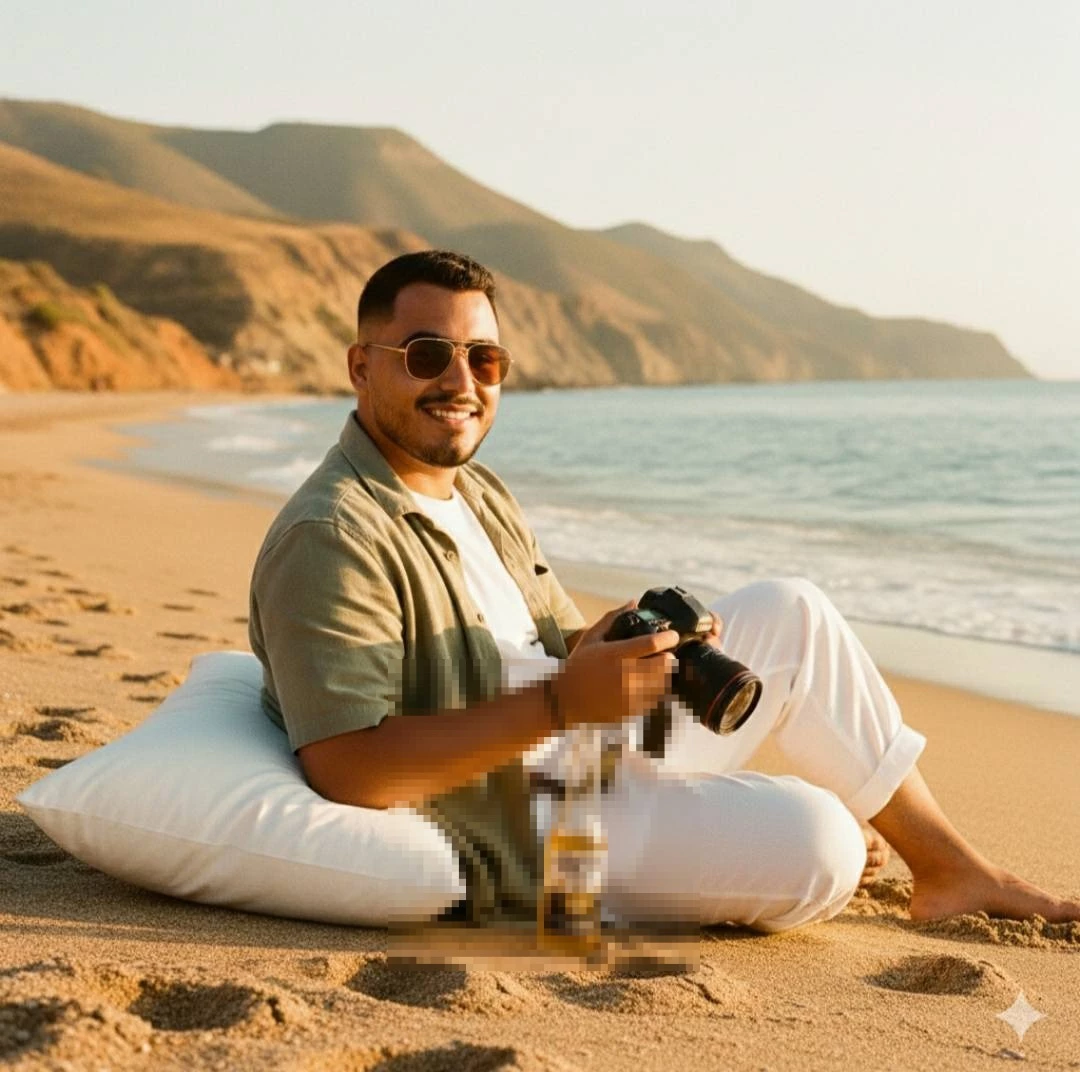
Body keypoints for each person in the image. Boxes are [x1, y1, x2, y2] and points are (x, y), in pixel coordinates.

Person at [248, 249, 1080, 931]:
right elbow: (346, 768)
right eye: (428, 355)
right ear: (363, 366)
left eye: (485, 358)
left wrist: (625, 642)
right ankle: (756, 815)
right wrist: (560, 708)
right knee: (821, 839)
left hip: (567, 742)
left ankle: (948, 870)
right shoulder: (331, 534)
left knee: (792, 610)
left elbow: (547, 647)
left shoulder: (476, 492)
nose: (461, 382)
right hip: (505, 812)